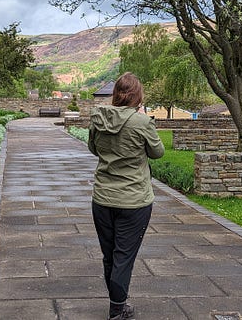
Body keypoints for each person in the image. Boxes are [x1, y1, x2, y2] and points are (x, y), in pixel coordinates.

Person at [88, 72, 165, 320]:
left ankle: (116, 303)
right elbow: (158, 152)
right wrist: (144, 120)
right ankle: (117, 309)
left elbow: (93, 149)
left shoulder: (98, 118)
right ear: (138, 96)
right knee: (124, 255)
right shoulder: (141, 122)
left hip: (102, 198)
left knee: (109, 253)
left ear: (115, 94)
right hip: (134, 200)